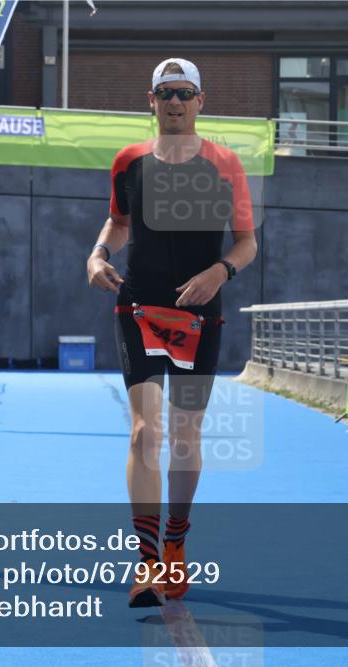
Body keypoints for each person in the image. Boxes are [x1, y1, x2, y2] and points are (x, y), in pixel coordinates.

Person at [86, 58, 257, 607]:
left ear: (201, 101)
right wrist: (96, 254)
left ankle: (177, 545)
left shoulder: (225, 163)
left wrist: (219, 272)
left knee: (184, 437)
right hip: (138, 307)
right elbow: (118, 221)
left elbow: (246, 242)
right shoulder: (129, 161)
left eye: (185, 93)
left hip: (199, 313)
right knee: (143, 434)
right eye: (166, 93)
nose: (175, 102)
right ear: (151, 100)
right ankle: (148, 562)